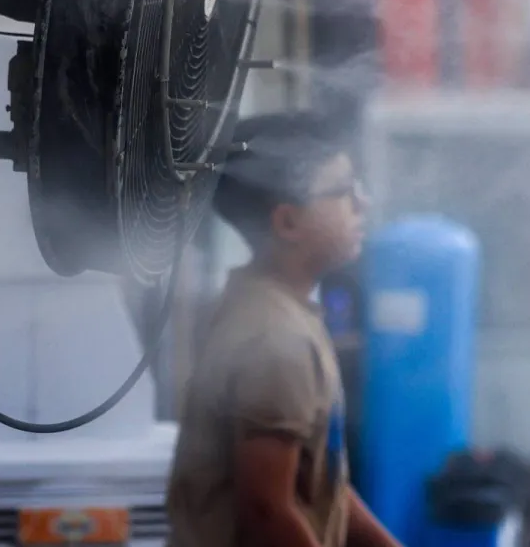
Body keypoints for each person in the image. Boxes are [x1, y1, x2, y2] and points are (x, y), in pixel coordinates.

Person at [166, 112, 401, 547]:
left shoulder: (277, 311)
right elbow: (268, 512)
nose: (362, 203)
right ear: (288, 222)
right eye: (344, 192)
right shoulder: (275, 340)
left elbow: (319, 485)